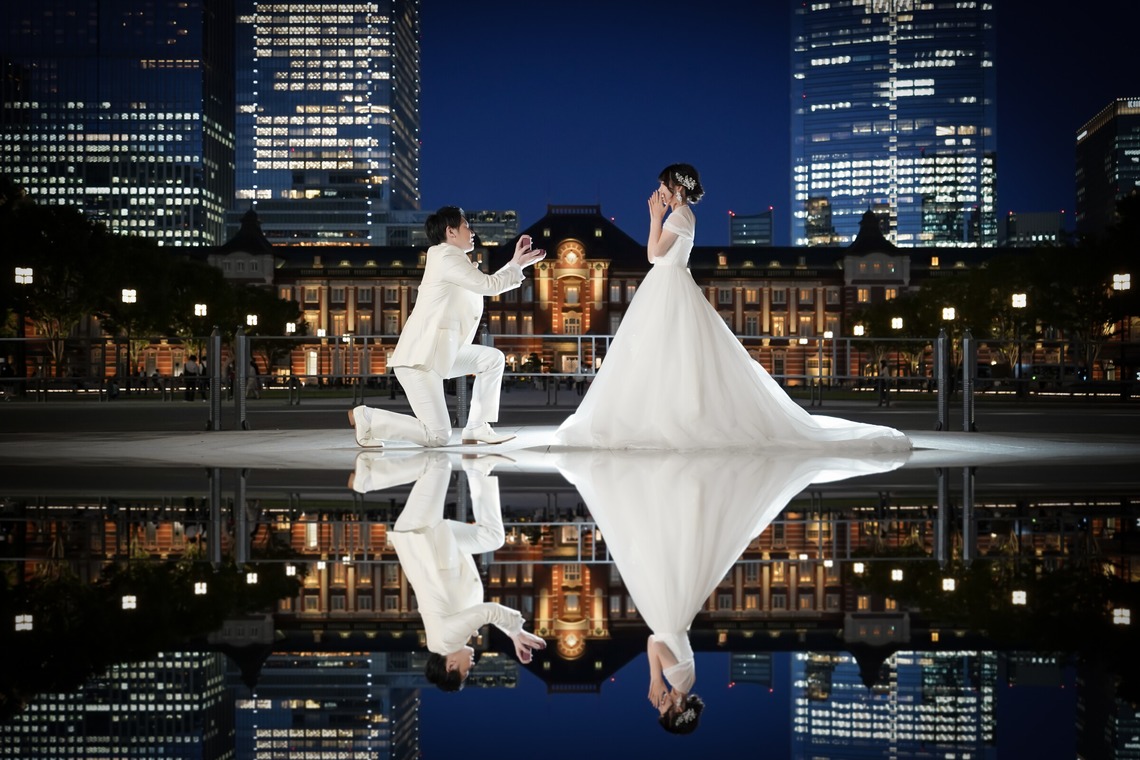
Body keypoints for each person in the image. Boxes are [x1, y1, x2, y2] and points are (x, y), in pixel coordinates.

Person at [555, 163, 909, 452]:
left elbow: (653, 255)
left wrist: (653, 218)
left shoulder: (677, 217)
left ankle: (662, 419)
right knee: (671, 356)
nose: (658, 191)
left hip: (667, 286)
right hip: (671, 286)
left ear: (676, 188)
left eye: (662, 185)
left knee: (661, 354)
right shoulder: (684, 216)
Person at [555, 446, 908, 733]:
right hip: (668, 611)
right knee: (649, 540)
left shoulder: (687, 680)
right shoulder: (680, 681)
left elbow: (657, 642)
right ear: (677, 708)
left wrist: (657, 676)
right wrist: (654, 678)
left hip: (671, 610)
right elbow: (655, 642)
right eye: (662, 710)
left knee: (657, 543)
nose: (657, 703)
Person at [349, 207, 545, 448]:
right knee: (438, 436)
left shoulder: (453, 260)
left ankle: (477, 427)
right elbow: (489, 285)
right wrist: (515, 266)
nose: (472, 231)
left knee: (492, 359)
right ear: (450, 231)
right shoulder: (446, 257)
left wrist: (515, 263)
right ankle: (369, 418)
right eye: (466, 226)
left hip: (441, 353)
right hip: (419, 361)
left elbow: (484, 284)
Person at [350, 450, 546, 691]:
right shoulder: (451, 639)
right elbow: (481, 611)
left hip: (421, 534)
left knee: (439, 462)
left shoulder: (445, 641)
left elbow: (489, 612)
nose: (471, 666)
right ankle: (479, 469)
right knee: (492, 537)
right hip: (442, 545)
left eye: (466, 671)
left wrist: (516, 631)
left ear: (451, 666)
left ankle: (367, 478)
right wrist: (514, 634)